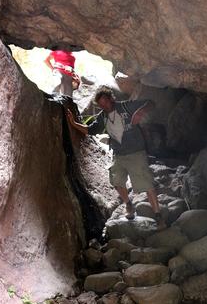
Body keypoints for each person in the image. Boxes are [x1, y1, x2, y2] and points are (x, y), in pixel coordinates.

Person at [65, 88, 166, 228]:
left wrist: (140, 112)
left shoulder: (126, 106)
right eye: (101, 104)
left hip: (136, 153)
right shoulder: (102, 117)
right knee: (117, 181)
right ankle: (129, 205)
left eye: (106, 101)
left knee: (147, 184)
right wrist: (73, 123)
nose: (104, 106)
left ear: (111, 98)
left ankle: (158, 215)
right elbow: (91, 130)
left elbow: (150, 103)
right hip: (118, 155)